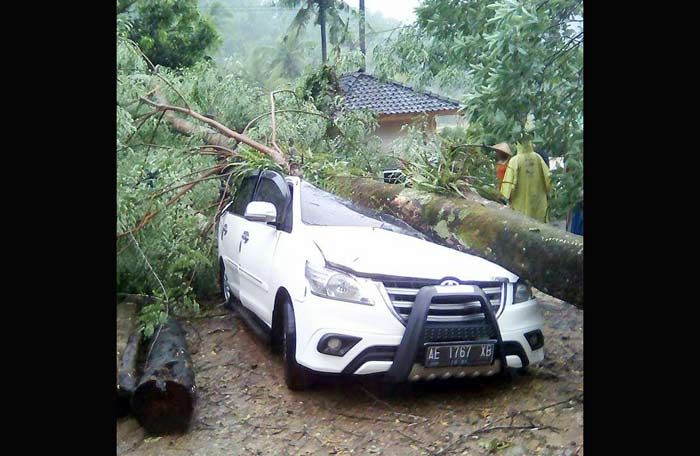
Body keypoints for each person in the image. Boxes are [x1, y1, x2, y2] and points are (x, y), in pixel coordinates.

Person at [500, 140, 552, 222]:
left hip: (520, 206)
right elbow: (548, 179)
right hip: (538, 204)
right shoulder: (538, 158)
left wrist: (506, 198)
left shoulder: (514, 161)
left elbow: (508, 187)